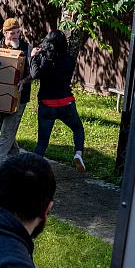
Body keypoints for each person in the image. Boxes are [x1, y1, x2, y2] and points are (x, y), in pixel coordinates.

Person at [29, 29, 87, 173]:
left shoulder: (43, 58)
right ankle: (78, 154)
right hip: (66, 102)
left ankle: (33, 171)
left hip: (47, 104)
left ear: (48, 42)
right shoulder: (69, 59)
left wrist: (33, 57)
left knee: (42, 142)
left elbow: (35, 74)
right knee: (78, 128)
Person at [0, 17, 33, 182]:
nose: (16, 36)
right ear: (5, 33)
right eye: (12, 33)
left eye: (18, 32)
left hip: (19, 98)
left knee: (7, 132)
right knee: (6, 131)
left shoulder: (27, 48)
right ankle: (20, 163)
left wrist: (24, 81)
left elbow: (33, 72)